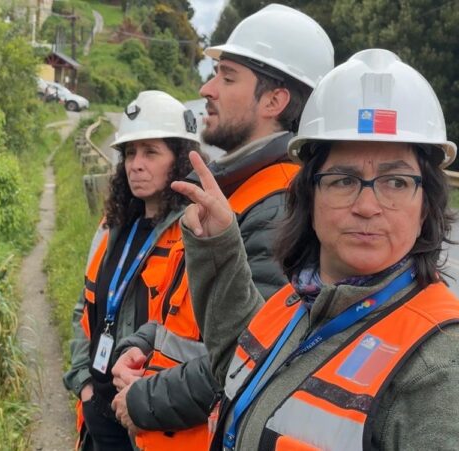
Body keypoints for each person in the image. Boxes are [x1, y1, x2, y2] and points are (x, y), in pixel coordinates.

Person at [171, 49, 459, 450]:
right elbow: (243, 369)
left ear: (426, 205)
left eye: (397, 182)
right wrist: (218, 246)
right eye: (343, 180)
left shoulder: (450, 368)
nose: (367, 206)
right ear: (309, 195)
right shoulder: (298, 302)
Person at [109, 4, 334, 450]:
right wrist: (141, 341)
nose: (206, 88)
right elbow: (193, 317)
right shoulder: (235, 189)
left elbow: (251, 355)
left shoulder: (281, 206)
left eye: (227, 77)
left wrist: (142, 399)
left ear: (274, 100)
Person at [62, 90, 203, 451]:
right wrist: (85, 383)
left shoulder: (197, 234)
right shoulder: (112, 227)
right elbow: (85, 306)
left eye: (151, 152)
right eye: (129, 153)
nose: (135, 164)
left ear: (180, 160)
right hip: (97, 414)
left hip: (148, 421)